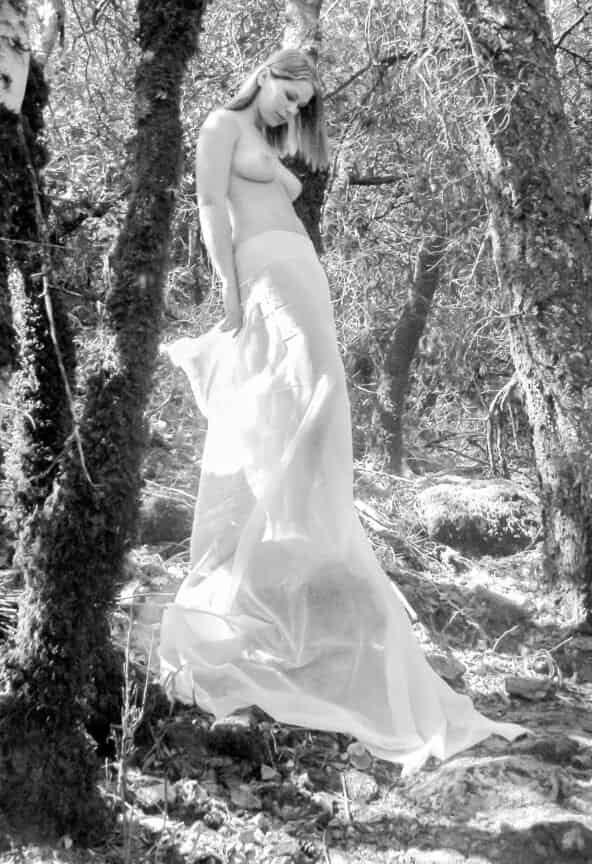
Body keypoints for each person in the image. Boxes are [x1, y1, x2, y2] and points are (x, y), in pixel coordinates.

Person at [158, 48, 527, 773]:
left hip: (304, 277)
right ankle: (271, 562)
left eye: (300, 104)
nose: (289, 111)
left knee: (322, 410)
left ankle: (300, 556)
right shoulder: (220, 127)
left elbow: (287, 175)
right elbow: (208, 207)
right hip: (265, 275)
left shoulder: (268, 140)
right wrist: (228, 290)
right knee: (308, 408)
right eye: (284, 94)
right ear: (259, 73)